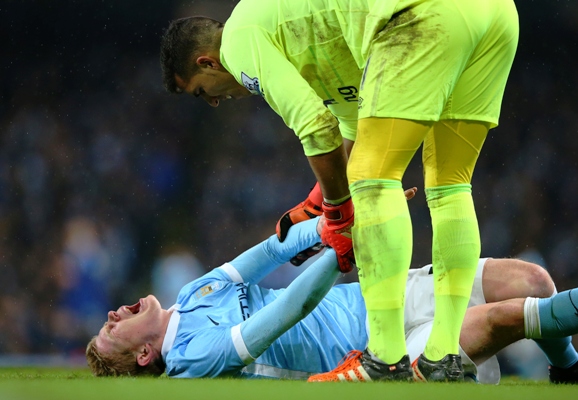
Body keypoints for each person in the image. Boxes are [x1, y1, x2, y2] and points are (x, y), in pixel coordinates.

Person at [159, 0, 519, 381]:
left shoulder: (237, 42)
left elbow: (316, 128)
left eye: (201, 92)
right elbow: (354, 131)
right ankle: (442, 357)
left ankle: (384, 359)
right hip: (493, 15)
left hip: (422, 15)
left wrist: (338, 209)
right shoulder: (300, 37)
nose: (214, 101)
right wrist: (319, 200)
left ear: (206, 62)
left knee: (373, 179)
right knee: (449, 185)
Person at [86, 217, 578, 384]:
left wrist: (330, 225)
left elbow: (270, 251)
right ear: (146, 355)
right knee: (502, 318)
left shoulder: (192, 294)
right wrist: (341, 251)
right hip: (380, 355)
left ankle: (566, 370)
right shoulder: (192, 357)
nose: (111, 314)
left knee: (532, 280)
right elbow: (285, 313)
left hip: (380, 297)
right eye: (111, 331)